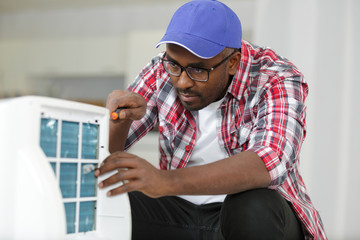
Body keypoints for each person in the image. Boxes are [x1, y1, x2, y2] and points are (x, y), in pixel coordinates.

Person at [94, 0, 327, 239]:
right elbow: (101, 156)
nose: (183, 82)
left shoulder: (276, 77)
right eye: (174, 65)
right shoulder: (161, 70)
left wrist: (165, 181)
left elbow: (268, 162)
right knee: (106, 199)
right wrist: (119, 122)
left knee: (252, 204)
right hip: (178, 214)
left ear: (232, 63)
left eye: (198, 70)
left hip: (254, 219)